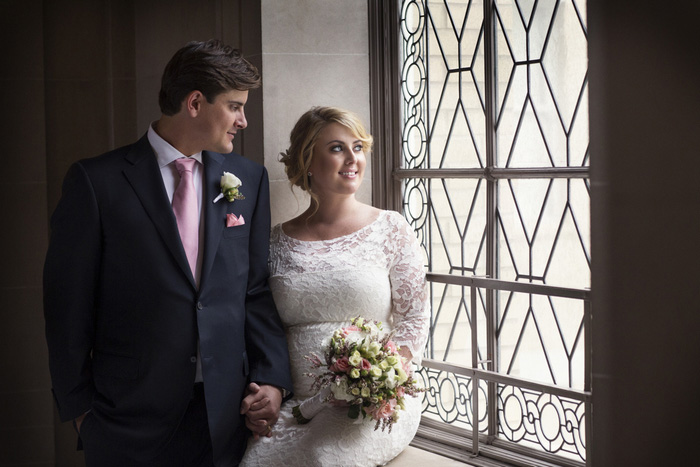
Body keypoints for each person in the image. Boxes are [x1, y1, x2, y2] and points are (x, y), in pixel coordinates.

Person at [43, 39, 293, 467]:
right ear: (195, 102)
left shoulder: (247, 181)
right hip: (125, 422)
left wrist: (271, 379)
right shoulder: (96, 182)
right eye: (234, 106)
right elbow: (67, 306)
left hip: (224, 418)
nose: (243, 120)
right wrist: (82, 413)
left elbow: (254, 291)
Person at [239, 106, 430, 467]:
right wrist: (272, 388)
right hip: (298, 403)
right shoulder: (275, 242)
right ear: (307, 159)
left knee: (325, 458)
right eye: (337, 148)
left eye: (358, 147)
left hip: (374, 402)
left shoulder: (391, 229)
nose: (353, 158)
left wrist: (375, 384)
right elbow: (264, 326)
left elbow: (415, 320)